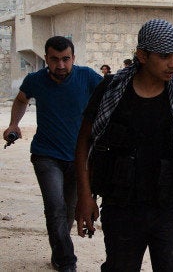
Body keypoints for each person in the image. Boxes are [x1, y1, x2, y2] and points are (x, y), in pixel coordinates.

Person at [74, 19, 173, 271]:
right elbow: (84, 143)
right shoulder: (112, 90)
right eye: (165, 56)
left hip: (167, 206)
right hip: (121, 206)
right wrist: (84, 196)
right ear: (142, 55)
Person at [2, 36, 103, 271]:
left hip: (79, 158)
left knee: (68, 210)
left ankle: (59, 251)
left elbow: (111, 96)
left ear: (73, 58)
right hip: (46, 155)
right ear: (46, 58)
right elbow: (20, 100)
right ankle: (67, 261)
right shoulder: (35, 80)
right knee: (55, 207)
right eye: (54, 59)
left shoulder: (87, 77)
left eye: (65, 59)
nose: (60, 65)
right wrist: (13, 124)